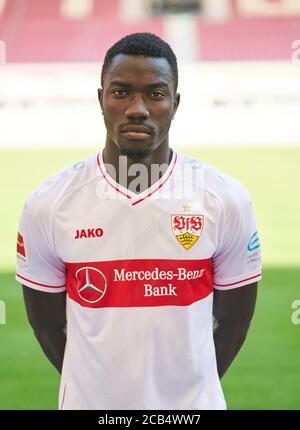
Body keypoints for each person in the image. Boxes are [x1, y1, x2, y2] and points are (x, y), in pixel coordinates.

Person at [16, 32, 262, 410]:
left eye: (155, 93)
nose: (138, 108)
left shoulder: (225, 199)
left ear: (175, 103)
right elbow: (47, 328)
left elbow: (234, 325)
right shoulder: (49, 204)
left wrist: (185, 398)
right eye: (121, 92)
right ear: (101, 99)